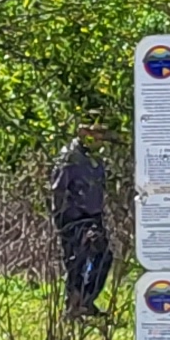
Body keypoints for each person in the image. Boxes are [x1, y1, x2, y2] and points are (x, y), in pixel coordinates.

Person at [51, 135, 112, 315]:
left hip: (94, 217)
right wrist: (67, 221)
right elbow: (58, 191)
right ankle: (73, 305)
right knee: (76, 260)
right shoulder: (69, 157)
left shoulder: (96, 158)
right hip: (74, 218)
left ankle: (86, 300)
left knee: (103, 256)